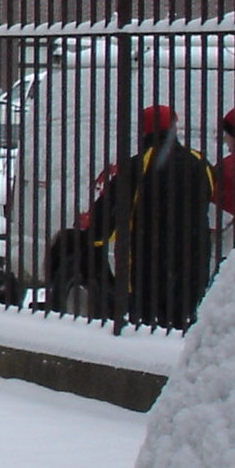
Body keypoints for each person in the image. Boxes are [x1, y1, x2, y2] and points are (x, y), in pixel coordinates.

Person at [91, 104, 217, 328]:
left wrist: (94, 237)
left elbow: (112, 210)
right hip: (193, 262)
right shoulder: (199, 161)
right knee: (181, 325)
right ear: (174, 127)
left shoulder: (137, 165)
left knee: (148, 326)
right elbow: (210, 197)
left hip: (149, 265)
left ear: (143, 131)